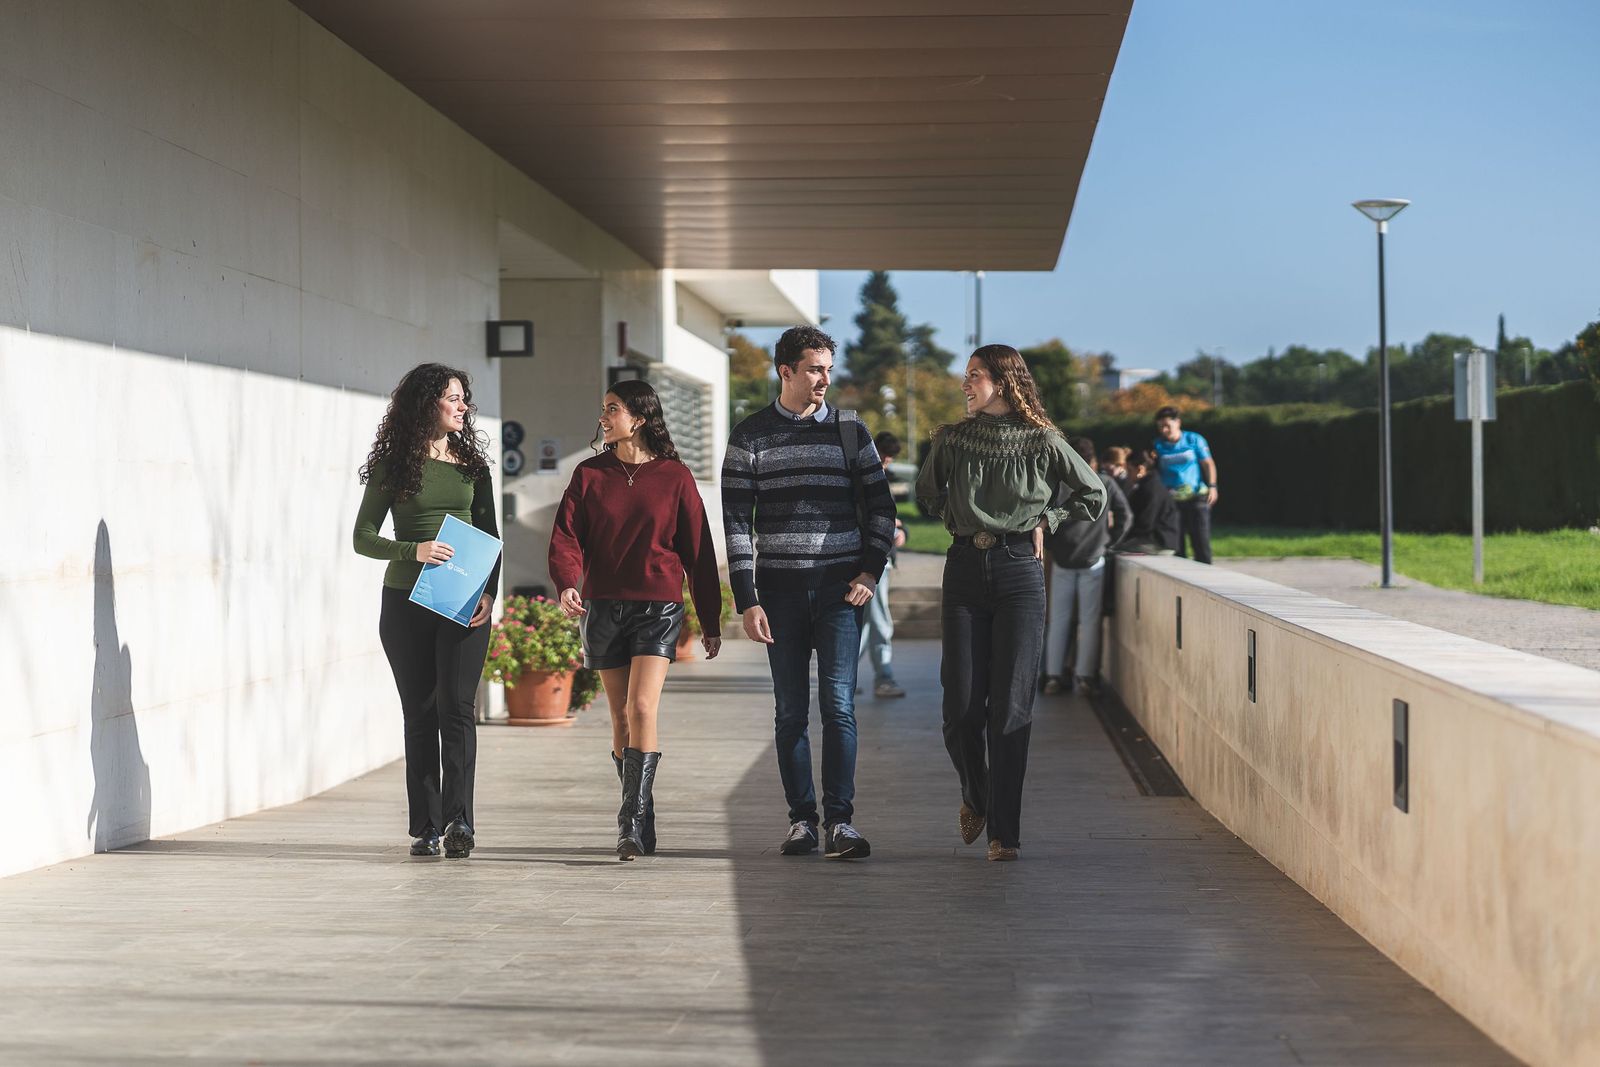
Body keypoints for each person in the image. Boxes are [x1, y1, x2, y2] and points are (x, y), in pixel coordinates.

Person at [916, 345, 1104, 862]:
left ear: (1002, 381)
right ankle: (976, 795)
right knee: (959, 709)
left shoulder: (1045, 440)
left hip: (1021, 573)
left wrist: (1047, 519)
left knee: (1011, 709)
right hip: (963, 574)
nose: (965, 384)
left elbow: (1093, 494)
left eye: (974, 376)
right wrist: (964, 506)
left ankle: (1005, 832)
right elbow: (926, 494)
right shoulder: (951, 439)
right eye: (967, 375)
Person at [722, 325, 896, 860]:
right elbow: (735, 523)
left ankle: (841, 823)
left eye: (828, 369)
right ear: (787, 371)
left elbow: (883, 509)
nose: (824, 379)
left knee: (839, 707)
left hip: (841, 593)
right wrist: (747, 598)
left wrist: (869, 572)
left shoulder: (850, 430)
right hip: (779, 595)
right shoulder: (749, 435)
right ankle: (801, 820)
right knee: (790, 712)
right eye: (815, 369)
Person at [549, 381, 722, 861]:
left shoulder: (675, 477)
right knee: (621, 716)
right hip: (602, 605)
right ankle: (640, 822)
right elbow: (566, 536)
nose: (603, 417)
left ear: (639, 418)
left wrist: (710, 620)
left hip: (657, 607)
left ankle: (630, 821)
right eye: (603, 408)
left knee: (642, 708)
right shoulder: (589, 475)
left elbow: (699, 553)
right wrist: (567, 581)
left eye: (612, 409)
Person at [354, 363, 502, 860]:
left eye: (465, 398)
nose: (463, 406)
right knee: (419, 714)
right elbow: (363, 538)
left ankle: (461, 821)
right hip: (405, 602)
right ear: (426, 404)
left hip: (463, 599)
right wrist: (411, 550)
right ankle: (426, 827)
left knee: (457, 710)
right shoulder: (394, 466)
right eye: (453, 398)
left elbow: (491, 537)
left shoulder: (473, 466)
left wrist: (489, 594)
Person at [1042, 437, 1132, 696]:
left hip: (1063, 559)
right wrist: (1109, 543)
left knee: (1058, 620)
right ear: (1093, 460)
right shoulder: (1104, 483)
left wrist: (1052, 545)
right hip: (1094, 559)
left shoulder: (1060, 485)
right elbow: (1125, 516)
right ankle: (1084, 676)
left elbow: (1047, 518)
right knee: (1090, 621)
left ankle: (1054, 675)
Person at [859, 430, 909, 699]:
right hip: (873, 562)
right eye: (884, 455)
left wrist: (902, 530)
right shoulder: (863, 478)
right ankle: (884, 678)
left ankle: (846, 676)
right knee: (878, 622)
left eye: (890, 458)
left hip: (880, 559)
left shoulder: (880, 477)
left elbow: (891, 519)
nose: (887, 461)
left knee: (868, 623)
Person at [1152, 406, 1218, 564]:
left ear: (1178, 423)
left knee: (1200, 540)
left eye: (1168, 425)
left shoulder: (1194, 439)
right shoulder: (1157, 445)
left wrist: (1212, 486)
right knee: (1176, 543)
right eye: (1161, 426)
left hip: (1196, 496)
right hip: (1172, 499)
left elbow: (1207, 463)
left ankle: (1206, 574)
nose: (1165, 429)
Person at [1123, 450, 1180, 553]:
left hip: (1158, 541)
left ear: (1140, 469)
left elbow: (1146, 521)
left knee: (1116, 550)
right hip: (1155, 538)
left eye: (1130, 470)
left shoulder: (1151, 488)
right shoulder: (1147, 485)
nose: (1128, 475)